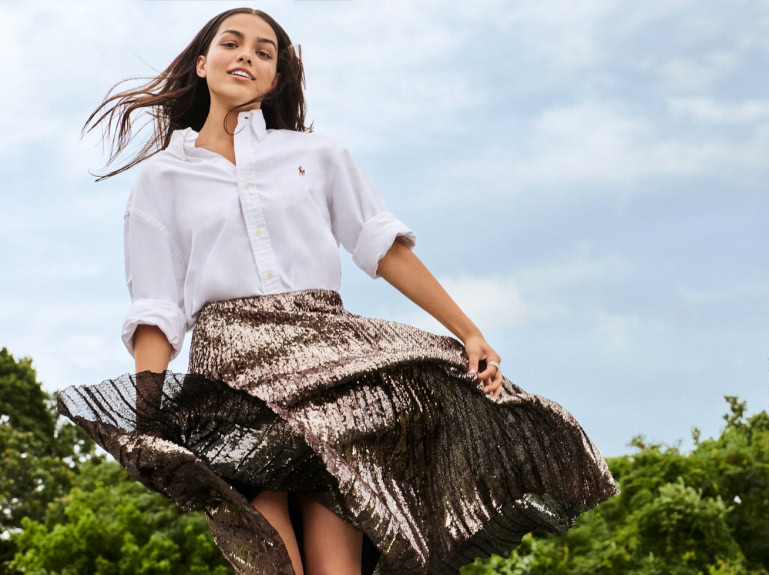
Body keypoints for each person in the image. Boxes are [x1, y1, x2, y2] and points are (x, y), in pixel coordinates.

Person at [56, 7, 619, 575]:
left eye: (264, 51)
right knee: (270, 562)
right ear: (204, 64)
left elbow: (384, 247)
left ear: (275, 78)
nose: (247, 55)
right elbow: (156, 307)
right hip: (233, 374)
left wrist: (469, 331)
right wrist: (147, 416)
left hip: (328, 355)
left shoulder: (317, 156)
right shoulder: (162, 179)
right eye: (232, 43)